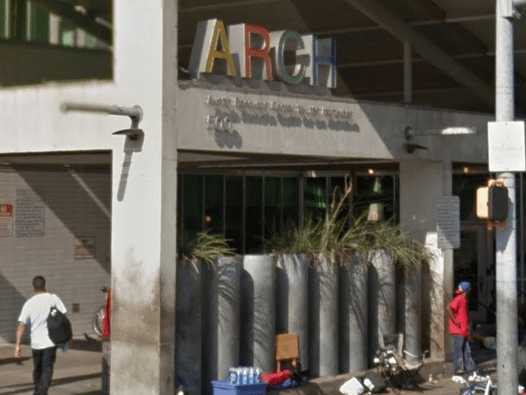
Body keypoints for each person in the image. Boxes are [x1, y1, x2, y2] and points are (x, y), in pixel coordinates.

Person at [14, 275, 67, 395]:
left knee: (38, 370)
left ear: (33, 288)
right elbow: (63, 317)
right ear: (45, 286)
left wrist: (17, 345)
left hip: (36, 344)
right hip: (50, 342)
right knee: (46, 370)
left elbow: (21, 325)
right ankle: (40, 392)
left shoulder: (29, 303)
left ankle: (39, 392)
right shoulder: (53, 298)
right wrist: (67, 338)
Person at [448, 281, 477, 381]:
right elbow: (449, 308)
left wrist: (468, 328)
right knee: (458, 351)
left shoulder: (463, 299)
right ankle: (458, 372)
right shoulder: (460, 298)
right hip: (458, 330)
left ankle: (470, 371)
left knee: (466, 351)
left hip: (463, 330)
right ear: (467, 290)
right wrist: (456, 321)